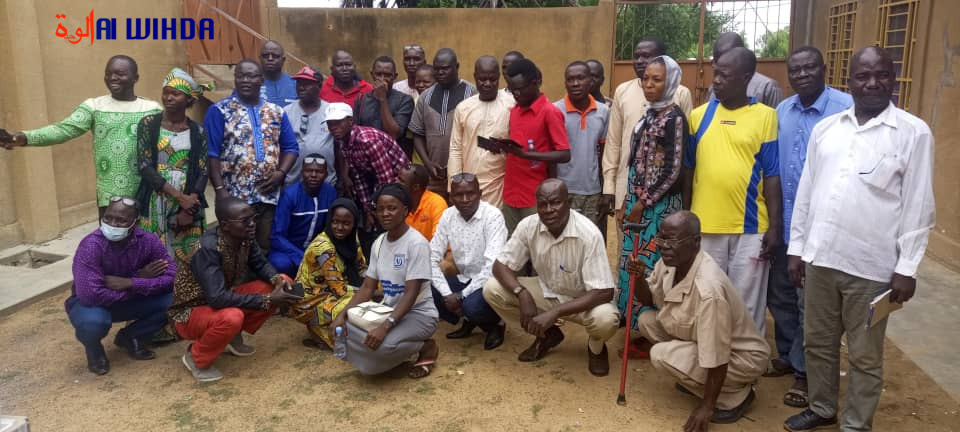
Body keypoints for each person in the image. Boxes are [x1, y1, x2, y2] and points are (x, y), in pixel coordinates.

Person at [783, 46, 935, 432]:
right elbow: (807, 193)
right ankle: (821, 407)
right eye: (862, 76)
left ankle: (855, 424)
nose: (872, 83)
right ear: (848, 82)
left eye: (880, 74)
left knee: (865, 355)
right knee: (817, 342)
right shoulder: (827, 129)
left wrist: (907, 267)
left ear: (893, 78)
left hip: (872, 268)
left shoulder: (913, 133)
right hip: (820, 260)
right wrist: (797, 250)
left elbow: (919, 205)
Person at [767, 46, 852, 409]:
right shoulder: (781, 111)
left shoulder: (846, 109)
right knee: (780, 295)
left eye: (809, 68)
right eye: (795, 69)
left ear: (824, 69)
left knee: (809, 304)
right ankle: (787, 355)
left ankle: (805, 373)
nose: (802, 74)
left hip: (820, 228)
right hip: (782, 222)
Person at [627, 211, 769, 429]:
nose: (664, 245)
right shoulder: (671, 261)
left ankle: (735, 397)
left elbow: (718, 354)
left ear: (695, 243)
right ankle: (696, 375)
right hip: (699, 337)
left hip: (739, 357)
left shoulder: (708, 290)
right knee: (646, 320)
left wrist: (706, 406)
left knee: (659, 355)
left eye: (672, 240)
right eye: (661, 238)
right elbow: (648, 299)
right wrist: (637, 277)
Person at [682, 47, 782, 336]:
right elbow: (689, 171)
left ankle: (745, 375)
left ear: (746, 77)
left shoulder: (766, 117)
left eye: (725, 75)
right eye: (716, 74)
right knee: (707, 299)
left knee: (747, 305)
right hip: (705, 227)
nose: (716, 81)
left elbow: (772, 175)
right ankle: (705, 365)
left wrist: (774, 227)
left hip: (750, 230)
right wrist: (688, 218)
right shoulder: (698, 117)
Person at [484, 179, 619, 376]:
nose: (549, 210)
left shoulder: (588, 234)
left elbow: (604, 292)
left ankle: (596, 348)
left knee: (606, 319)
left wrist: (555, 313)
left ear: (569, 202)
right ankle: (547, 334)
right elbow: (500, 266)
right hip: (547, 292)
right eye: (543, 204)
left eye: (555, 202)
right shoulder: (528, 226)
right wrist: (522, 294)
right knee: (492, 289)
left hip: (585, 301)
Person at [0, 55, 161, 217]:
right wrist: (23, 137)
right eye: (108, 73)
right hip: (111, 193)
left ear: (136, 78)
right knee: (113, 238)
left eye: (120, 74)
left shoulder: (152, 109)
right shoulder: (94, 107)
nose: (113, 78)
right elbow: (63, 130)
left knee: (147, 240)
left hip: (147, 189)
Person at [168, 197, 302, 382]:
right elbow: (217, 299)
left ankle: (230, 337)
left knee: (284, 282)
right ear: (225, 225)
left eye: (253, 218)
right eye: (245, 221)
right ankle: (196, 356)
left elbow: (260, 263)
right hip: (189, 313)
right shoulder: (207, 249)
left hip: (219, 300)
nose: (252, 224)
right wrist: (269, 300)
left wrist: (278, 280)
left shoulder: (244, 236)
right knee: (232, 317)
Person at [329, 184, 440, 379]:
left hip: (419, 314)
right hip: (387, 311)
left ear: (405, 210)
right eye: (380, 209)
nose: (385, 213)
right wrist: (342, 315)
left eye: (392, 208)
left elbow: (411, 294)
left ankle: (425, 346)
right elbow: (367, 288)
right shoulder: (379, 242)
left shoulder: (417, 244)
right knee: (343, 329)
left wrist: (384, 327)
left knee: (383, 345)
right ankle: (381, 352)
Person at [613, 55, 689, 333]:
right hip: (636, 200)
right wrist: (626, 201)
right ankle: (632, 323)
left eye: (657, 80)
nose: (649, 84)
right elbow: (635, 163)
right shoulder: (649, 115)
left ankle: (650, 329)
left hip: (659, 207)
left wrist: (643, 203)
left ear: (670, 82)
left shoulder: (675, 118)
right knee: (630, 259)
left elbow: (674, 169)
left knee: (651, 264)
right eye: (646, 78)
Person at [66, 197, 176, 375]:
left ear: (136, 222)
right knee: (92, 323)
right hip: (92, 305)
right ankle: (93, 348)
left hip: (125, 297)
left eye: (121, 220)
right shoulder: (90, 246)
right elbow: (91, 295)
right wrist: (137, 284)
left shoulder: (148, 241)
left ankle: (132, 336)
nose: (112, 224)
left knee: (177, 300)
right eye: (108, 218)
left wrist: (132, 282)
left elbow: (171, 277)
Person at [206, 60, 299, 252]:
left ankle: (258, 283)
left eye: (251, 76)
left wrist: (280, 174)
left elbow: (291, 148)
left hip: (268, 195)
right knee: (233, 248)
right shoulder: (219, 110)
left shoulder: (276, 112)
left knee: (264, 246)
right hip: (234, 197)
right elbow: (211, 154)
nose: (245, 80)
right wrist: (220, 189)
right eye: (240, 76)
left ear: (261, 80)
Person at [603, 38, 693, 221]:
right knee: (628, 247)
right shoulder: (627, 95)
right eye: (636, 56)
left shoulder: (679, 99)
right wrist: (611, 188)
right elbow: (614, 143)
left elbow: (678, 161)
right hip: (629, 191)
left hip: (660, 200)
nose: (640, 61)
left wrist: (643, 202)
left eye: (647, 56)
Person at [136, 68, 212, 268]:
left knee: (187, 254)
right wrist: (180, 197)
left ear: (188, 100)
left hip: (188, 202)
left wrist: (189, 207)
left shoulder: (199, 132)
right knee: (155, 255)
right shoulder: (148, 125)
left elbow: (203, 170)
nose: (168, 97)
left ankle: (187, 294)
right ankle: (159, 293)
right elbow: (145, 166)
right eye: (165, 92)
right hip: (156, 199)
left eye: (175, 94)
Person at [431, 173, 507, 350]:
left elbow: (491, 267)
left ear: (480, 193)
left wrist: (460, 296)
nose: (465, 199)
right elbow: (431, 256)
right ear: (451, 197)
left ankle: (495, 325)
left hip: (491, 281)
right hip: (465, 277)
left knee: (471, 305)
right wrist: (447, 294)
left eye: (470, 193)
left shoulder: (493, 216)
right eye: (458, 195)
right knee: (430, 288)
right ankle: (468, 319)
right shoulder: (448, 216)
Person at [325, 102, 410, 258]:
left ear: (350, 121)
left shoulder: (367, 140)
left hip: (400, 183)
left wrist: (377, 209)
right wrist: (368, 209)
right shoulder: (343, 142)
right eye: (330, 124)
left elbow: (386, 179)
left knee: (388, 223)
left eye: (338, 123)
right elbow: (359, 178)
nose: (333, 127)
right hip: (376, 184)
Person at [501, 58, 571, 235]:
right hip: (511, 193)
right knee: (513, 247)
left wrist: (526, 155)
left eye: (520, 89)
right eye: (511, 89)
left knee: (537, 248)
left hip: (535, 196)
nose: (515, 94)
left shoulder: (550, 112)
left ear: (535, 83)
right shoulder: (515, 111)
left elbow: (564, 154)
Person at [294, 198, 367, 349]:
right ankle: (315, 326)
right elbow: (339, 290)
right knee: (356, 307)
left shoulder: (353, 239)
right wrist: (372, 292)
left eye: (346, 223)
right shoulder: (324, 248)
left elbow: (363, 270)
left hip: (330, 292)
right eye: (335, 222)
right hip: (311, 301)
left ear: (354, 224)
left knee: (372, 297)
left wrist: (378, 287)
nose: (339, 227)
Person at [448, 55, 515, 208]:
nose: (487, 84)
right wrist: (453, 184)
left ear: (499, 78)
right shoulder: (463, 108)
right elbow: (456, 148)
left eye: (492, 79)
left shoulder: (511, 105)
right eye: (482, 79)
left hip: (500, 184)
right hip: (468, 186)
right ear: (475, 77)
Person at [410, 48, 477, 199]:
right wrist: (428, 164)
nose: (440, 72)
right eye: (437, 69)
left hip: (465, 176)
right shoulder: (425, 97)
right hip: (434, 176)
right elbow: (417, 135)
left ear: (457, 67)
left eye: (445, 68)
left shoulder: (472, 94)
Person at [554, 61, 610, 229]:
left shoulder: (603, 111)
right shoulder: (555, 110)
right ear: (565, 83)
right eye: (570, 79)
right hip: (563, 190)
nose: (575, 83)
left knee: (588, 240)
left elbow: (604, 154)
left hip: (592, 191)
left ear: (590, 81)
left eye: (581, 78)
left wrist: (605, 190)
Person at [268, 154, 337, 276]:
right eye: (309, 171)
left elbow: (330, 229)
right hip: (288, 250)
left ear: (326, 174)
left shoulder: (330, 193)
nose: (313, 175)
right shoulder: (290, 195)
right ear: (301, 172)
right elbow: (277, 236)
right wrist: (302, 256)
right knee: (281, 264)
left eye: (319, 172)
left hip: (315, 249)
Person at [284, 66, 336, 187]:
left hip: (326, 182)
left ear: (319, 85)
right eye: (299, 83)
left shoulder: (331, 111)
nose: (301, 87)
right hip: (293, 182)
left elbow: (340, 146)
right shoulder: (286, 112)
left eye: (307, 84)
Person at [708, 32, 783, 108]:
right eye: (716, 59)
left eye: (726, 56)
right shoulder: (714, 88)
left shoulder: (767, 87)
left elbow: (774, 118)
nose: (721, 61)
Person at [353, 56, 414, 141]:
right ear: (372, 74)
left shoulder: (405, 100)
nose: (382, 79)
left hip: (392, 152)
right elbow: (355, 133)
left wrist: (382, 98)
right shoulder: (361, 100)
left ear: (395, 76)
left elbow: (394, 133)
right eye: (378, 74)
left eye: (388, 75)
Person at [397, 164, 447, 241]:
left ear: (416, 187)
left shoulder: (436, 203)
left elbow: (440, 243)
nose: (396, 182)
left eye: (401, 181)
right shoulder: (398, 204)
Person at [259, 40, 298, 107]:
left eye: (275, 56)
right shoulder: (251, 85)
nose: (270, 59)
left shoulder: (296, 84)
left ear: (283, 60)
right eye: (265, 56)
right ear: (260, 59)